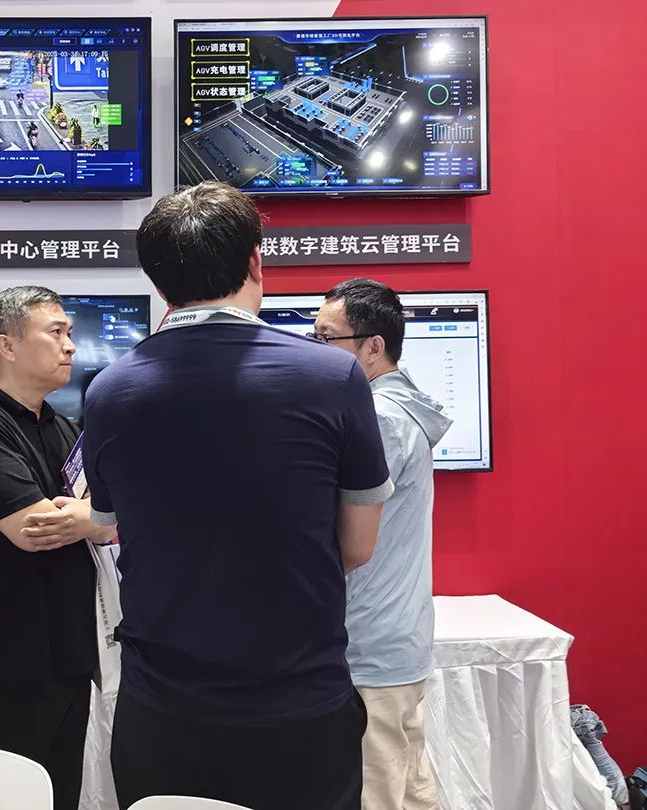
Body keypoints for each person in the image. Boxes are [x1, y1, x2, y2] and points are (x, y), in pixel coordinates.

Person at [81, 181, 394, 810]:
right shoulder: (332, 375)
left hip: (162, 709)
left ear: (161, 285)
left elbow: (110, 523)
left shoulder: (109, 391)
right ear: (255, 261)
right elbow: (358, 546)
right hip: (297, 703)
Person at [0, 286, 116, 810]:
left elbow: (107, 522)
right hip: (6, 662)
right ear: (8, 345)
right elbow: (35, 530)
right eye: (55, 332)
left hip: (68, 655)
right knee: (0, 797)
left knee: (58, 795)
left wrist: (91, 518)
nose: (70, 346)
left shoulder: (62, 426)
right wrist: (95, 516)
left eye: (70, 333)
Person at [314, 279, 452, 810]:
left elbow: (337, 532)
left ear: (374, 346)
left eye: (327, 338)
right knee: (408, 786)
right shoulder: (394, 408)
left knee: (375, 791)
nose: (316, 350)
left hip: (369, 644)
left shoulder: (381, 419)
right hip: (392, 641)